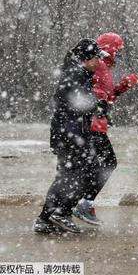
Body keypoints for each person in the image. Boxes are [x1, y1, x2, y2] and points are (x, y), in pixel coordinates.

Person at [34, 39, 110, 234]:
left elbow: (79, 102)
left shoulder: (78, 73)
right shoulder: (75, 74)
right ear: (87, 58)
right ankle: (59, 213)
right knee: (75, 175)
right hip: (70, 134)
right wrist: (96, 106)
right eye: (96, 59)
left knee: (70, 175)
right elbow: (74, 102)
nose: (99, 63)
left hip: (70, 133)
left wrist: (97, 107)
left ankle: (46, 219)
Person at [73, 33, 138, 225]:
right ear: (110, 49)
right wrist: (101, 104)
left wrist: (123, 86)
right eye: (117, 50)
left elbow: (107, 97)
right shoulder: (99, 66)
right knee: (107, 163)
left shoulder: (105, 68)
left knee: (95, 166)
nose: (119, 54)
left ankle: (76, 204)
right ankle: (83, 204)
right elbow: (95, 96)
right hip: (92, 125)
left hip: (96, 125)